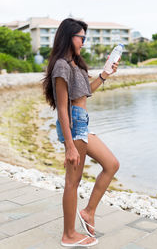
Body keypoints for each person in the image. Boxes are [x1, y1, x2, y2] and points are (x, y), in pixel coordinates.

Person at [42, 18, 120, 247]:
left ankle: (88, 212)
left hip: (82, 122)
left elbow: (84, 94)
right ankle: (68, 235)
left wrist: (105, 74)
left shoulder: (74, 64)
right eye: (81, 38)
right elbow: (63, 108)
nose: (84, 43)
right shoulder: (61, 66)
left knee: (112, 164)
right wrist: (69, 145)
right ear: (69, 36)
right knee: (72, 182)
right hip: (74, 125)